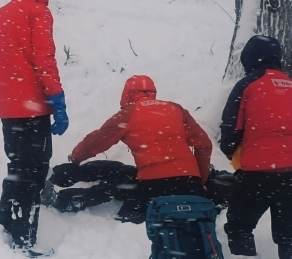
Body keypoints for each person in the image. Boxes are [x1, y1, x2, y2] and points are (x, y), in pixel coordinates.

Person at [220, 35, 292, 259]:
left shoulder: (248, 85)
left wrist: (231, 152)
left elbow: (230, 128)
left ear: (249, 58)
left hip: (258, 172)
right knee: (289, 233)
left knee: (239, 226)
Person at [0, 0, 68, 255]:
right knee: (34, 172)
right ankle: (24, 239)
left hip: (9, 106)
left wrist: (9, 94)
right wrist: (57, 100)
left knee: (17, 166)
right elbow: (45, 60)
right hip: (33, 106)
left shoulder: (0, 14)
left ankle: (4, 223)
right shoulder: (38, 12)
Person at [63, 75, 212, 222]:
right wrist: (200, 180)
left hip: (152, 184)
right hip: (189, 183)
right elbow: (204, 144)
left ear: (126, 94)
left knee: (120, 187)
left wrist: (76, 157)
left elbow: (96, 141)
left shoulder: (128, 113)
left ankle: (71, 198)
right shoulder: (175, 109)